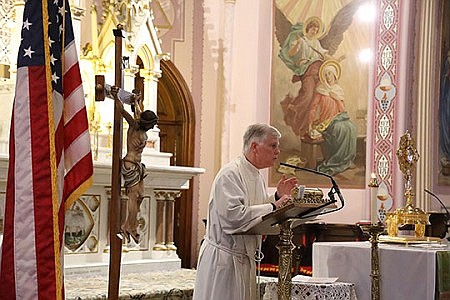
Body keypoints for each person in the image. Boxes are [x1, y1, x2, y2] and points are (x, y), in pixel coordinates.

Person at [193, 123, 298, 300]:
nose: (278, 151)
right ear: (255, 146)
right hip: (225, 260)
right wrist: (275, 206)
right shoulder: (230, 174)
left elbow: (256, 206)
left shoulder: (256, 175)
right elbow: (233, 218)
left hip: (244, 259)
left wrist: (276, 197)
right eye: (273, 145)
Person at [115, 96, 158, 243]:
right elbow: (122, 111)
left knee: (141, 196)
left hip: (138, 166)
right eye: (151, 124)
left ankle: (127, 225)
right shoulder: (134, 126)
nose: (152, 128)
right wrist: (116, 96)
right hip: (130, 164)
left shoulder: (141, 125)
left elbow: (138, 113)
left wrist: (136, 102)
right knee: (133, 197)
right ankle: (131, 228)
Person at [307, 60, 356, 175]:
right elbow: (313, 108)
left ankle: (346, 160)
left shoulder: (338, 90)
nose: (328, 76)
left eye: (329, 73)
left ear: (334, 74)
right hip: (326, 122)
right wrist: (309, 124)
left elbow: (343, 110)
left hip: (338, 118)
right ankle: (337, 160)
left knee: (351, 127)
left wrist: (336, 98)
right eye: (325, 74)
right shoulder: (321, 90)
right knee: (340, 129)